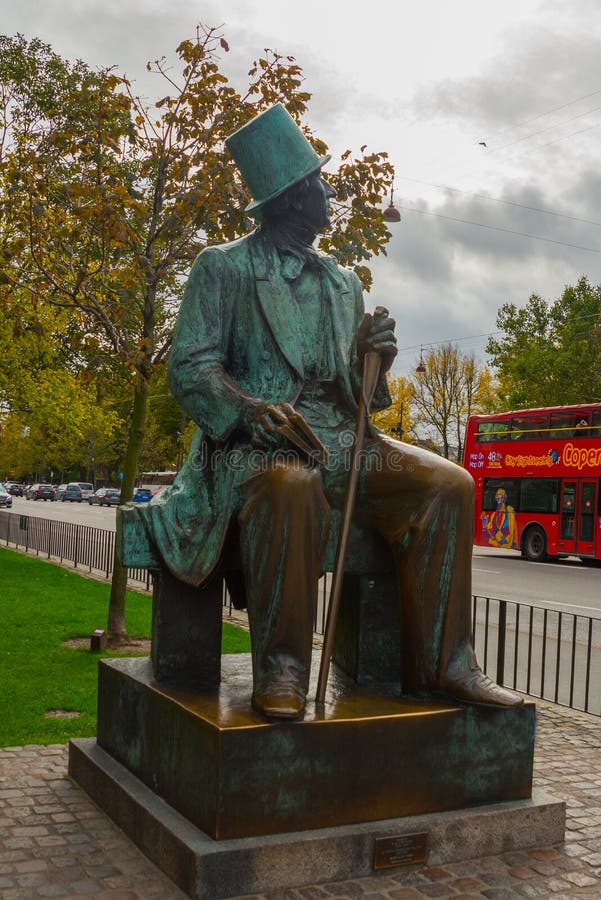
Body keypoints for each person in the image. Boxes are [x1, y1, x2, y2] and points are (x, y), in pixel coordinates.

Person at [141, 103, 522, 719]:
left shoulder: (344, 284)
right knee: (290, 487)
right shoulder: (224, 269)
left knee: (451, 484)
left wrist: (375, 360)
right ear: (290, 197)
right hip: (254, 447)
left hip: (346, 440)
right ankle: (283, 668)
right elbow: (189, 368)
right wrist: (247, 410)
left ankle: (445, 667)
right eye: (318, 182)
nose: (328, 191)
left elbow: (357, 396)